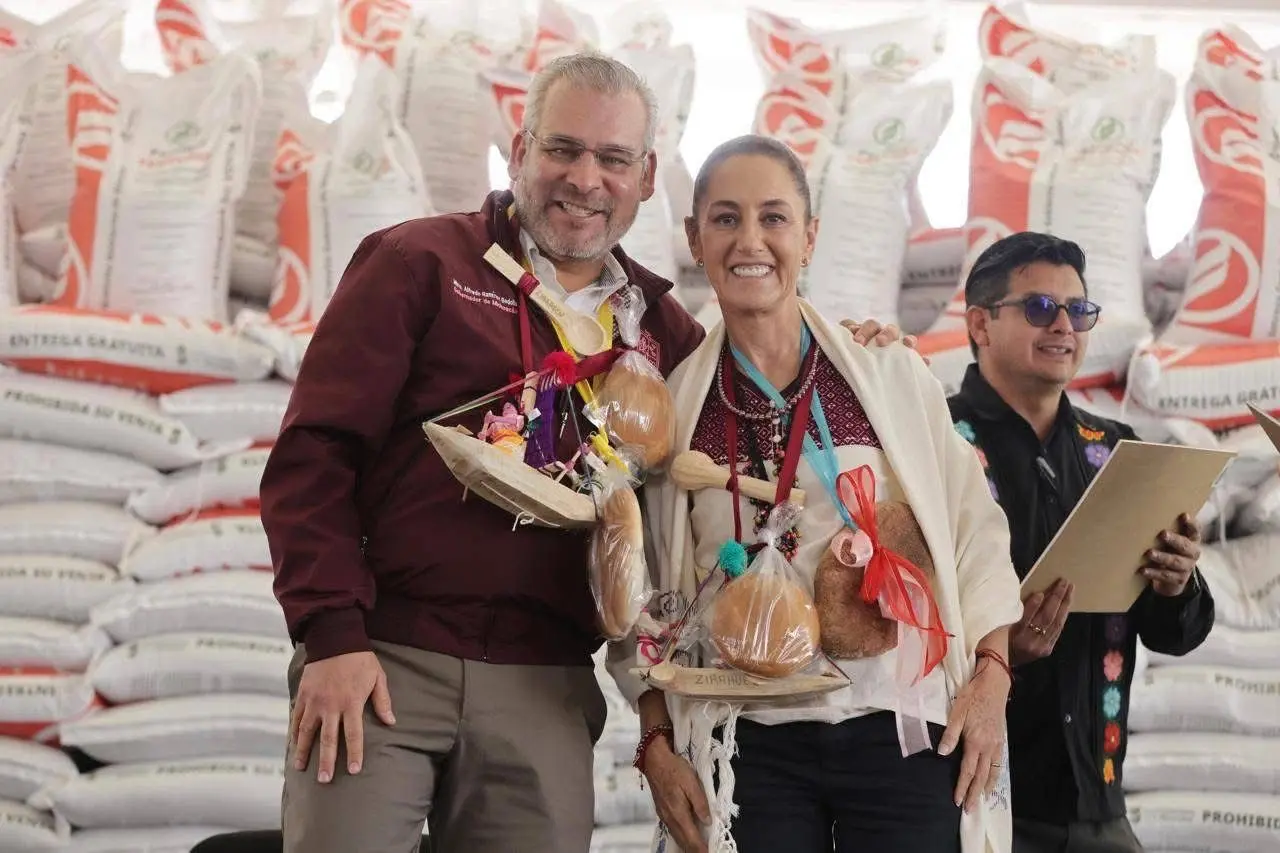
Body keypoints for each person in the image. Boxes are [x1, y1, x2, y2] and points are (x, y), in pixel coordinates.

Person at [260, 53, 910, 853]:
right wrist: (332, 637)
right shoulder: (419, 265)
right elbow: (314, 454)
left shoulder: (662, 332)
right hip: (387, 662)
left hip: (546, 684)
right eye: (563, 149)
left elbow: (754, 382)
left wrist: (861, 346)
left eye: (612, 159)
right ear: (520, 148)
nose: (584, 179)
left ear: (644, 176)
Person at [608, 134, 1026, 853]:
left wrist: (991, 675)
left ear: (810, 235)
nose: (751, 240)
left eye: (774, 217)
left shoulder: (884, 372)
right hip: (748, 745)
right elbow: (641, 598)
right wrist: (654, 738)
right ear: (693, 237)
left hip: (900, 727)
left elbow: (974, 530)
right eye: (725, 218)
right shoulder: (676, 404)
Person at [946, 231, 1215, 853]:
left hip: (1095, 802)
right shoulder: (938, 443)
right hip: (975, 801)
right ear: (980, 325)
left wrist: (1176, 585)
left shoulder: (1116, 451)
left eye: (1079, 310)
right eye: (1040, 308)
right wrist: (998, 651)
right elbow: (897, 622)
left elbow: (1175, 634)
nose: (1064, 325)